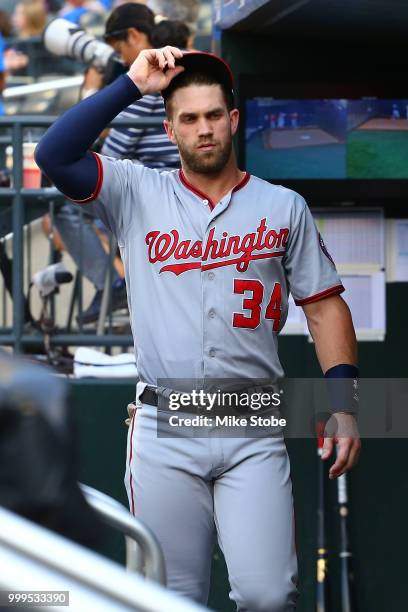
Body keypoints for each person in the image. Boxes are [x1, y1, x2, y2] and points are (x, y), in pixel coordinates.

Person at [35, 47, 361, 611]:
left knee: (267, 594)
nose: (203, 129)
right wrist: (132, 83)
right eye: (189, 118)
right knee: (171, 598)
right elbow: (54, 154)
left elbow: (325, 306)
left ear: (233, 119)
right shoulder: (136, 190)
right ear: (170, 128)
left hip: (251, 417)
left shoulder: (284, 206)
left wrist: (344, 404)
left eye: (214, 114)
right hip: (166, 421)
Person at [53, 3, 181, 324]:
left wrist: (93, 89)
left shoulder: (152, 79)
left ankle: (112, 288)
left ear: (135, 35)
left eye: (119, 47)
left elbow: (112, 150)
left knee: (63, 208)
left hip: (157, 191)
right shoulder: (170, 65)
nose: (120, 57)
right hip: (165, 184)